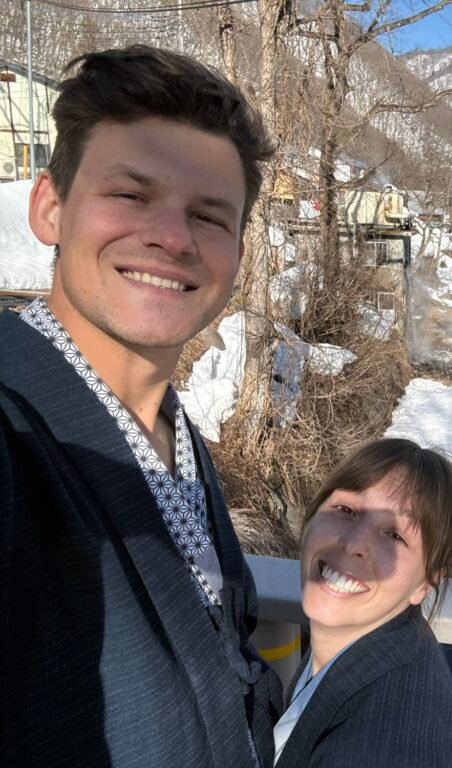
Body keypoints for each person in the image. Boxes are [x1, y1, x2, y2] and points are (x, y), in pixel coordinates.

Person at [0, 46, 281, 766]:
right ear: (50, 207)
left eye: (209, 216)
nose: (173, 238)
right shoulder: (14, 427)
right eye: (130, 194)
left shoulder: (175, 436)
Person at [273, 438, 452, 768]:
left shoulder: (382, 749)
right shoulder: (371, 646)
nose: (353, 543)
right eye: (346, 510)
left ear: (425, 583)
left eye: (395, 535)